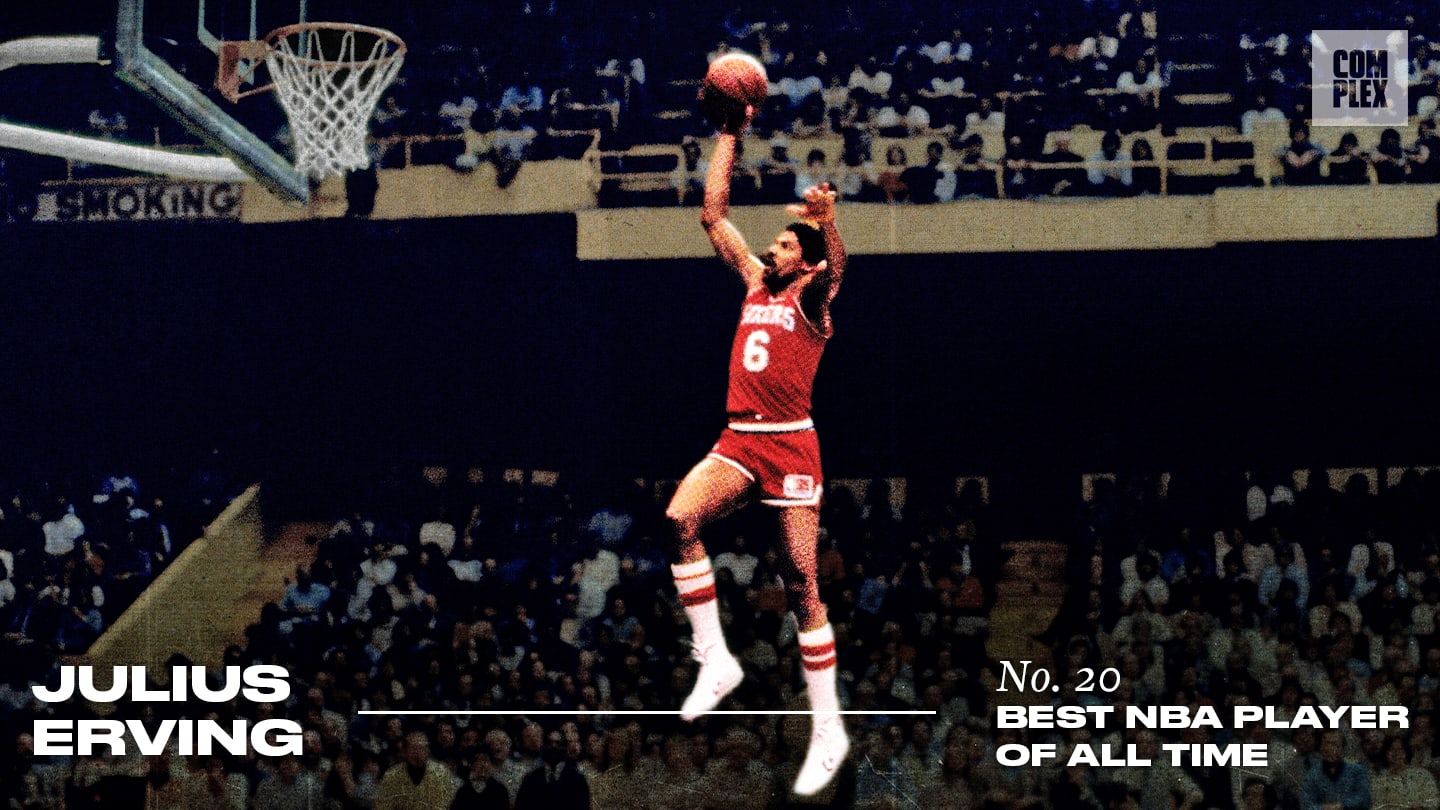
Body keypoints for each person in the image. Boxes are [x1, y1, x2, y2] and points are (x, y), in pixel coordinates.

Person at [664, 102, 850, 797]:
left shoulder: (811, 297)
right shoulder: (752, 281)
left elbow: (838, 264)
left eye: (780, 245)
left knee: (803, 584)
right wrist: (728, 135)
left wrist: (827, 221)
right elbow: (713, 215)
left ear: (799, 257)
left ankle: (827, 728)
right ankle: (715, 659)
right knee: (679, 519)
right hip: (740, 437)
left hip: (793, 447)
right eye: (771, 244)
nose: (771, 249)